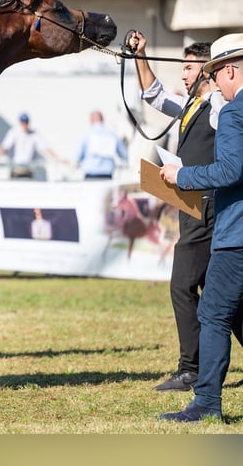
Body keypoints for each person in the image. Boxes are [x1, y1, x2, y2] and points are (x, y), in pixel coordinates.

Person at [130, 31, 243, 393]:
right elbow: (153, 95)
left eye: (190, 68)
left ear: (209, 73)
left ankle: (190, 368)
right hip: (195, 208)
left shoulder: (220, 109)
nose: (183, 74)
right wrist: (141, 56)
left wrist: (185, 176)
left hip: (207, 207)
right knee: (218, 291)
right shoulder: (192, 106)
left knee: (182, 285)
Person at [0, 113, 66, 179]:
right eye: (23, 122)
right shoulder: (14, 132)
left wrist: (58, 158)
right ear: (20, 123)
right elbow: (5, 147)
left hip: (28, 170)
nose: (24, 124)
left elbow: (45, 148)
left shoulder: (34, 134)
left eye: (26, 122)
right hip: (16, 169)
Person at [75, 110, 128, 179]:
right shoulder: (112, 135)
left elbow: (78, 157)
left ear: (91, 120)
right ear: (102, 119)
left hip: (90, 175)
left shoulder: (86, 135)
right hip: (107, 175)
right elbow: (124, 155)